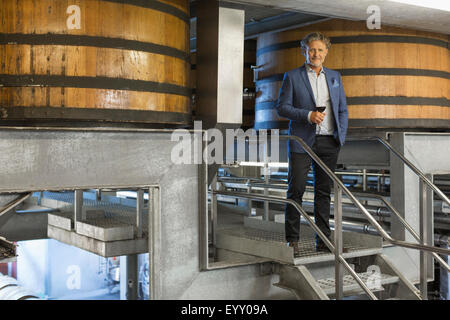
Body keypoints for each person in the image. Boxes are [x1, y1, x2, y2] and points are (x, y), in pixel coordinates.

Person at [276, 32, 348, 255]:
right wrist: (307, 115)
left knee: (323, 192)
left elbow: (342, 109)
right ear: (304, 51)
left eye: (320, 50)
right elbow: (282, 107)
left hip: (329, 142)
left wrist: (340, 136)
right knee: (296, 189)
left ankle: (323, 241)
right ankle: (292, 241)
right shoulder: (292, 76)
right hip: (302, 142)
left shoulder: (335, 77)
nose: (316, 53)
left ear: (326, 52)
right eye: (312, 49)